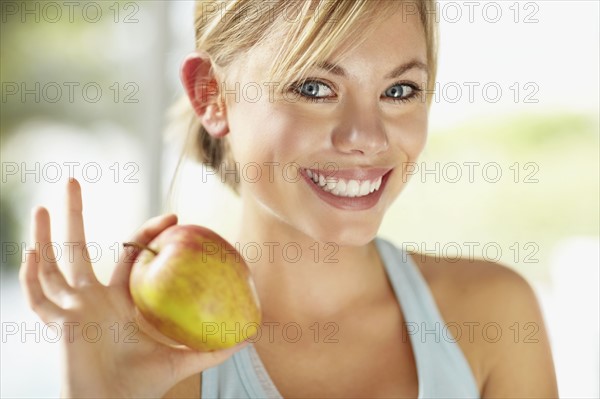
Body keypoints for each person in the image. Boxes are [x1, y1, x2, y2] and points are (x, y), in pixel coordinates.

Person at [20, 0, 559, 397]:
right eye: (314, 88)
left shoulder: (492, 317)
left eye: (399, 91)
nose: (365, 137)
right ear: (212, 96)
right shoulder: (156, 362)